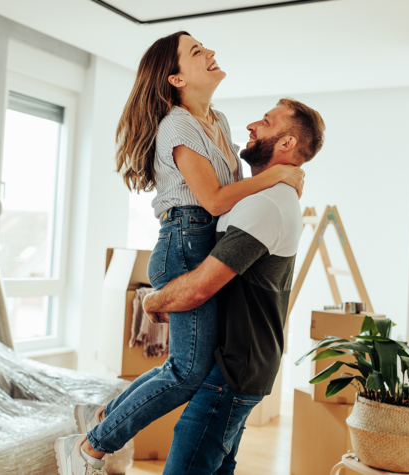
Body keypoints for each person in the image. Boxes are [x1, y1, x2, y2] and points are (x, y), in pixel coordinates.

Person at [54, 32, 304, 475]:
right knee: (188, 373)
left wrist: (278, 173)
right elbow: (212, 199)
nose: (210, 53)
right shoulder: (176, 124)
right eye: (196, 52)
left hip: (202, 239)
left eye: (203, 47)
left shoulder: (219, 120)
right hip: (183, 241)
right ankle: (90, 447)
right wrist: (280, 175)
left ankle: (99, 418)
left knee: (184, 367)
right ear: (175, 78)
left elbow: (234, 194)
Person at [144, 98, 325, 475]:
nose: (252, 125)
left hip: (234, 368)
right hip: (238, 364)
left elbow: (200, 287)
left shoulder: (268, 204)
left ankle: (99, 431)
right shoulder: (256, 194)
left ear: (287, 143)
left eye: (266, 121)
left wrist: (153, 301)